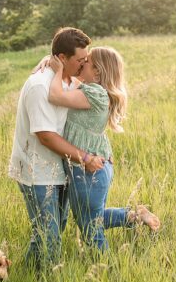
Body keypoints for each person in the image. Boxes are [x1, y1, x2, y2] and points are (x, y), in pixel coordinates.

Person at [42, 44, 160, 252]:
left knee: (90, 227)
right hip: (93, 168)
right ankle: (135, 215)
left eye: (85, 62)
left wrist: (58, 70)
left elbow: (55, 96)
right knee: (93, 218)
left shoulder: (95, 93)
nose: (81, 64)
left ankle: (105, 270)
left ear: (97, 71)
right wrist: (52, 65)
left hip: (88, 170)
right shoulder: (95, 90)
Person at [8, 25, 107, 269]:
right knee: (48, 237)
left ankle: (24, 274)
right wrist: (84, 157)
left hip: (60, 169)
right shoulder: (40, 86)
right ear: (62, 58)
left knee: (51, 230)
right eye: (80, 60)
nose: (85, 65)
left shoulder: (70, 80)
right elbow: (46, 136)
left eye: (87, 59)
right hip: (37, 172)